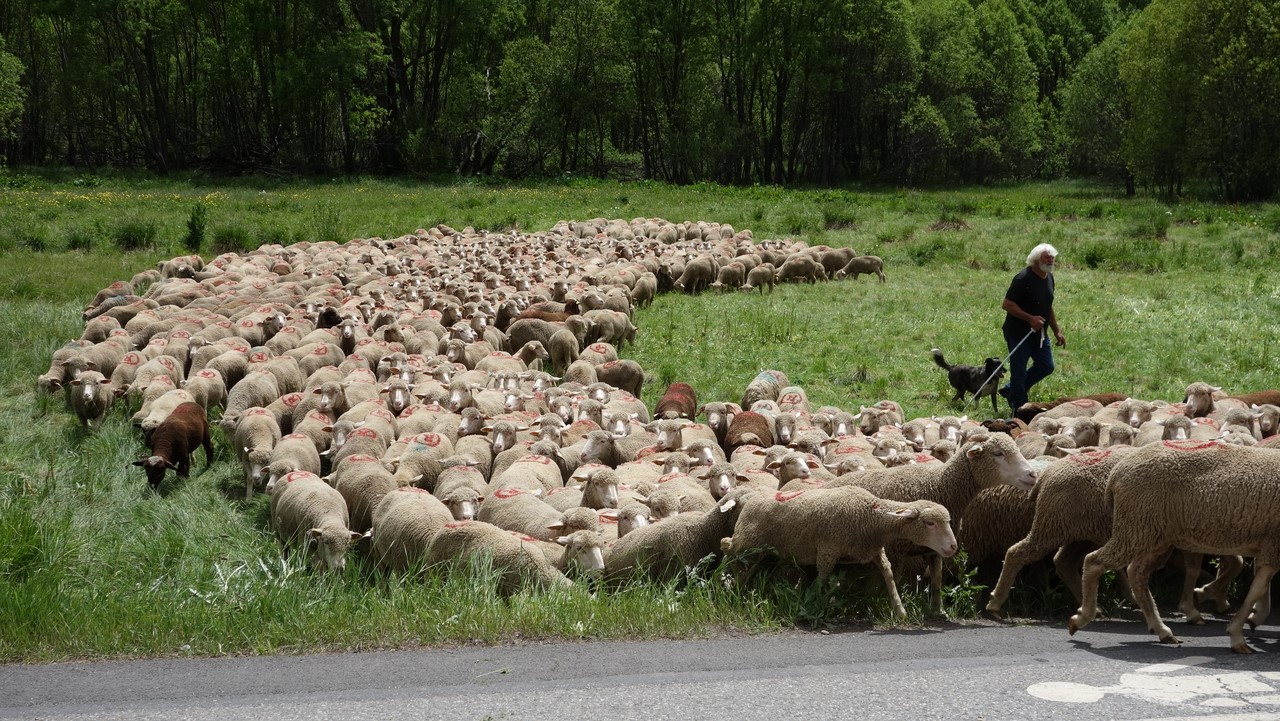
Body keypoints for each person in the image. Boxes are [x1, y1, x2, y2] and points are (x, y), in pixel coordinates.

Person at [999, 243, 1066, 411]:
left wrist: (1056, 330)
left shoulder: (1049, 277)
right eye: (1046, 257)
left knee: (1046, 366)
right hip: (1019, 333)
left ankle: (1011, 390)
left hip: (1040, 334)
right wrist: (1030, 319)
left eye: (1052, 257)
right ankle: (1020, 411)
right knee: (1019, 373)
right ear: (1036, 260)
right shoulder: (1023, 278)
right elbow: (1007, 304)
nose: (1050, 260)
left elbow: (1047, 306)